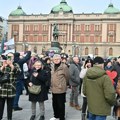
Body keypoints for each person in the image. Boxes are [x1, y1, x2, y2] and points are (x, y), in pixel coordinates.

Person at [0, 52, 21, 120]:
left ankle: (9, 118)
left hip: (11, 88)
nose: (10, 58)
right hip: (2, 88)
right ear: (6, 57)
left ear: (13, 57)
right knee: (0, 106)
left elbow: (19, 72)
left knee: (10, 106)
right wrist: (3, 66)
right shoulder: (2, 63)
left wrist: (12, 65)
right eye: (8, 56)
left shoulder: (15, 64)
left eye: (11, 56)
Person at [50, 54, 70, 120]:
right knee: (54, 104)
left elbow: (67, 77)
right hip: (53, 88)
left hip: (61, 88)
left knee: (61, 104)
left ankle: (62, 117)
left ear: (60, 59)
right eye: (55, 59)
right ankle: (56, 115)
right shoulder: (52, 66)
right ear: (53, 60)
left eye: (57, 59)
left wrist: (64, 84)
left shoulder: (64, 67)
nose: (56, 60)